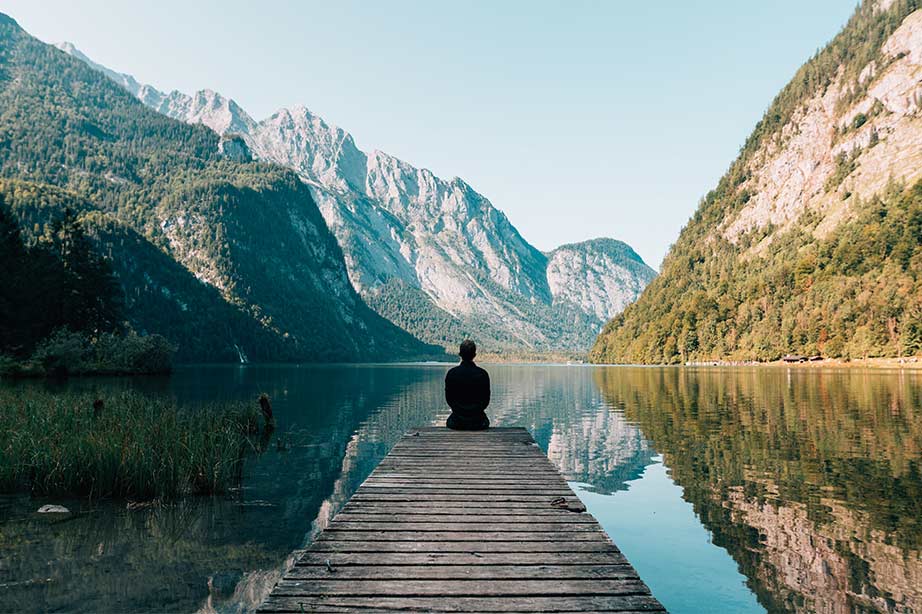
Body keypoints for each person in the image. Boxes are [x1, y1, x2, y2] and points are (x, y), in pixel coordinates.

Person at [445, 339, 490, 430]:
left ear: (460, 354)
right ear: (474, 355)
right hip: (478, 422)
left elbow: (449, 399)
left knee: (450, 422)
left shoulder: (451, 373)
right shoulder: (483, 374)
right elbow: (486, 401)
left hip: (457, 422)